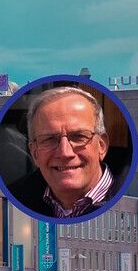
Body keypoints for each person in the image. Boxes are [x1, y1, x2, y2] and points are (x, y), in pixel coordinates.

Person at [9, 86, 121, 218]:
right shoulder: (16, 202)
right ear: (35, 153)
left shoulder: (127, 199)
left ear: (101, 146)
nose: (65, 152)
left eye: (78, 136)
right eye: (49, 139)